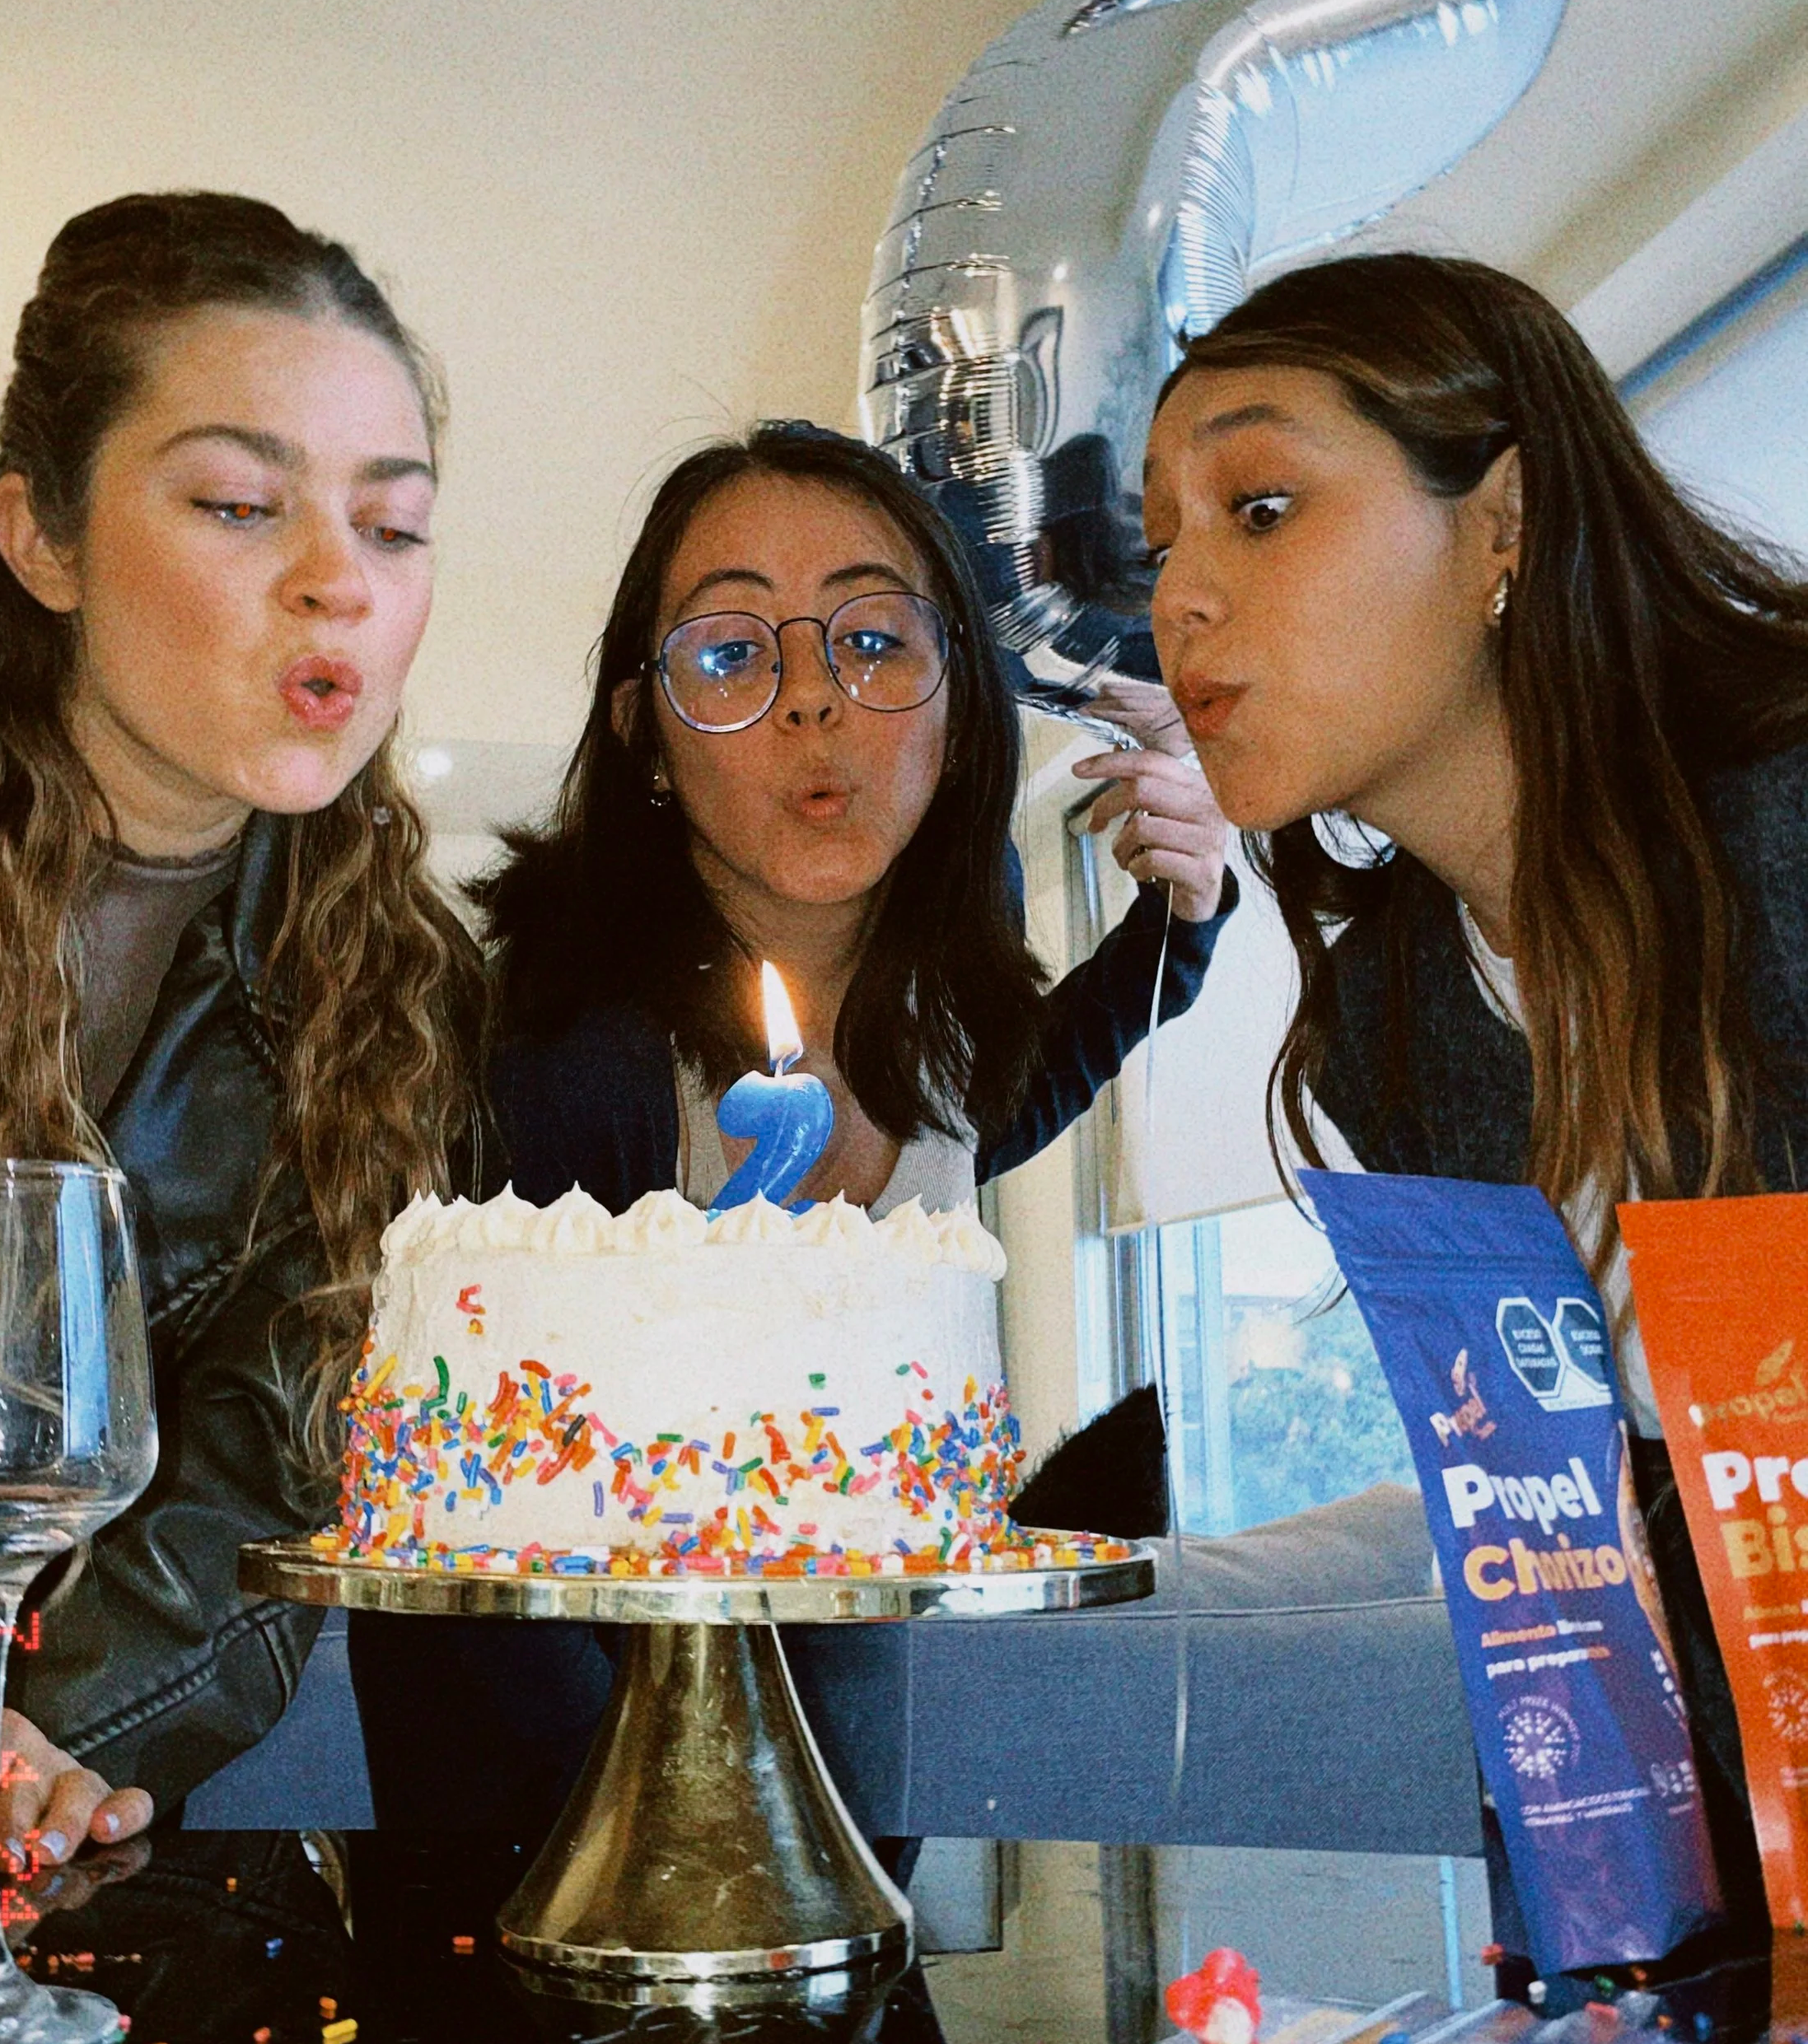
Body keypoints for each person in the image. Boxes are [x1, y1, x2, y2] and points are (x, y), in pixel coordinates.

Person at [353, 420, 1235, 1837]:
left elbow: (1003, 1105)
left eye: (873, 642)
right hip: (576, 1824)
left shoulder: (941, 1000)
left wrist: (1177, 926)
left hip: (859, 1776)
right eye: (731, 655)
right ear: (643, 732)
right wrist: (678, 1851)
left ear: (960, 707)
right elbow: (493, 1555)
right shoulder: (564, 1060)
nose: (813, 700)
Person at [0, 191, 484, 1873]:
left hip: (53, 1842)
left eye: (393, 526)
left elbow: (256, 1503)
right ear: (43, 537)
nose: (337, 584)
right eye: (238, 504)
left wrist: (7, 1759)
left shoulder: (394, 992)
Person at [1140, 249, 1803, 1962]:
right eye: (1161, 545)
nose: (1181, 598)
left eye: (1260, 507)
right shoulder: (1388, 1026)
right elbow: (1597, 1543)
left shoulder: (1787, 840)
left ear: (1502, 519)